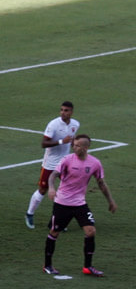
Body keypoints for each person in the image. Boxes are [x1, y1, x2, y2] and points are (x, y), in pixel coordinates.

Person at [43, 134, 117, 277]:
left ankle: (88, 267)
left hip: (79, 203)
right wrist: (51, 188)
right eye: (74, 145)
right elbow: (53, 175)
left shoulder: (95, 163)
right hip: (62, 203)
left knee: (91, 231)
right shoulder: (67, 160)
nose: (74, 147)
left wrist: (110, 201)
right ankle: (47, 265)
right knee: (54, 233)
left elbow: (101, 183)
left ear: (86, 147)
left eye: (77, 145)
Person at [25, 101, 79, 229]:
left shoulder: (75, 124)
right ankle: (29, 214)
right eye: (61, 110)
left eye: (66, 110)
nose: (63, 112)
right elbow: (44, 143)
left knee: (67, 191)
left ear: (71, 112)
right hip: (50, 163)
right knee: (43, 190)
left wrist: (75, 145)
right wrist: (61, 141)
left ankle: (59, 221)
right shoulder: (53, 124)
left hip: (65, 162)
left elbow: (72, 139)